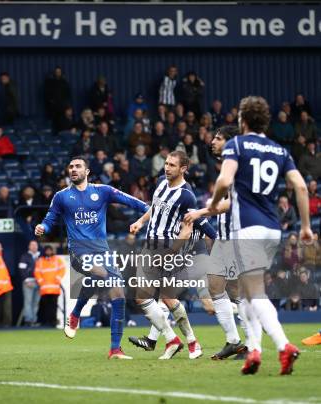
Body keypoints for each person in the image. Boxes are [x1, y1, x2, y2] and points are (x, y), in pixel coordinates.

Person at [208, 95, 312, 375]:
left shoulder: (236, 145)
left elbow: (225, 180)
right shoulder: (279, 150)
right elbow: (301, 188)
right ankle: (253, 349)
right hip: (272, 228)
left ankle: (283, 345)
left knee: (255, 292)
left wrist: (214, 203)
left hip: (248, 228)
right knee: (245, 291)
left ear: (242, 120)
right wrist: (304, 226)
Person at [35, 156, 148, 359]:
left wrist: (149, 209)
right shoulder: (61, 196)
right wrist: (43, 227)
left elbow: (128, 200)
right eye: (70, 167)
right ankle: (77, 312)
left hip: (102, 250)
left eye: (78, 166)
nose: (73, 169)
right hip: (78, 250)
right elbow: (50, 218)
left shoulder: (102, 191)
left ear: (87, 172)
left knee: (119, 295)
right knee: (101, 273)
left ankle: (114, 348)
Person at [129, 151, 212, 360]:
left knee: (155, 296)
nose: (167, 168)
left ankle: (178, 340)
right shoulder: (160, 182)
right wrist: (141, 221)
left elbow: (192, 227)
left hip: (167, 247)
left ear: (183, 169)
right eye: (166, 163)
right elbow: (155, 209)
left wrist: (173, 251)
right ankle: (187, 342)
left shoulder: (187, 196)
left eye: (172, 165)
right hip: (150, 244)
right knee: (160, 298)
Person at [183, 126, 248, 360]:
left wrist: (202, 212)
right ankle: (234, 341)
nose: (212, 141)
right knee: (216, 286)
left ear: (230, 142)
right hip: (224, 238)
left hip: (237, 235)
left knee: (238, 290)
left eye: (218, 138)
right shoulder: (227, 165)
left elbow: (230, 203)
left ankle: (251, 343)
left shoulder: (238, 165)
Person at [34, 246, 65, 327]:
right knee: (45, 307)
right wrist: (40, 281)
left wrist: (58, 277)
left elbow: (62, 269)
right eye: (47, 250)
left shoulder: (57, 260)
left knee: (53, 306)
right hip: (44, 289)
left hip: (54, 289)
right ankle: (46, 323)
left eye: (50, 250)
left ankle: (53, 322)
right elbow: (37, 272)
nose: (48, 252)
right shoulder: (40, 261)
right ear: (44, 251)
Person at [18, 240, 41, 326]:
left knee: (36, 302)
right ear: (29, 247)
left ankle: (34, 320)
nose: (34, 247)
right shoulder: (25, 256)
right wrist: (26, 280)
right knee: (28, 302)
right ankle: (28, 320)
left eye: (35, 245)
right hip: (29, 282)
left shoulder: (40, 256)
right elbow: (21, 269)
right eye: (32, 245)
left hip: (39, 282)